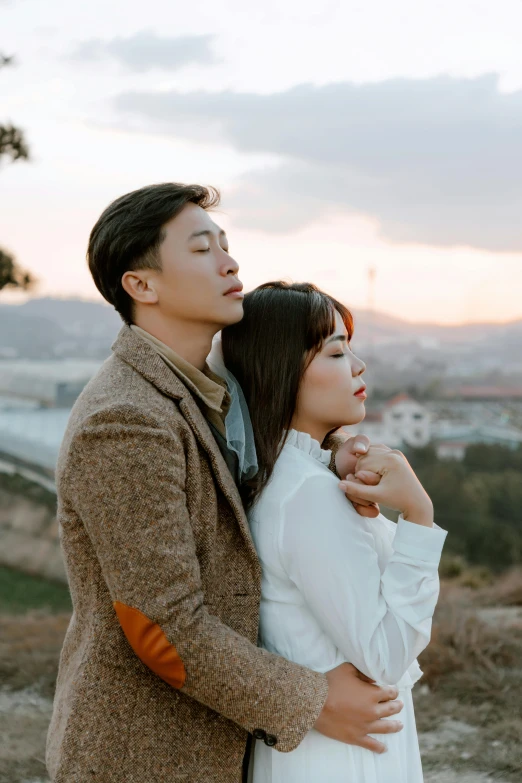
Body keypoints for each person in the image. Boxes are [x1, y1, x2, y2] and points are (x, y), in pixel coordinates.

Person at [46, 184, 404, 783]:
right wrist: (313, 699)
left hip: (212, 746)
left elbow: (263, 432)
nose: (230, 262)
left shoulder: (200, 388)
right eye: (202, 248)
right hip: (145, 756)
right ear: (142, 285)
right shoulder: (126, 419)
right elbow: (162, 624)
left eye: (227, 246)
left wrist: (333, 453)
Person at [221, 281, 448, 783]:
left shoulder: (292, 479)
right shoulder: (307, 495)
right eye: (337, 351)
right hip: (345, 756)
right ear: (281, 368)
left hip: (323, 747)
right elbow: (385, 656)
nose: (359, 365)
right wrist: (418, 514)